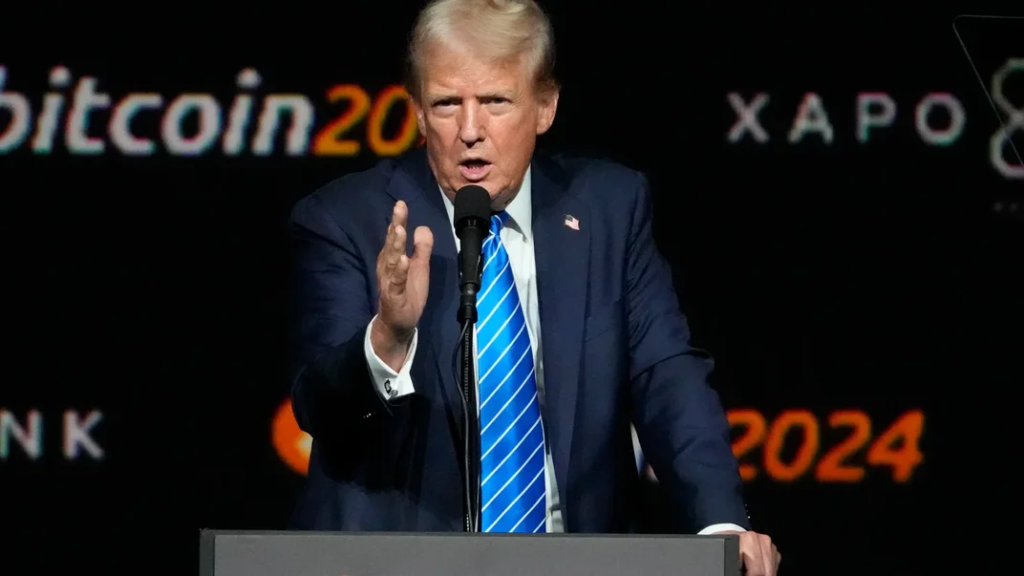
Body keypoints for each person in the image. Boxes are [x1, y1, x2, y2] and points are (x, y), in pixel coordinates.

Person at [286, 0, 781, 574]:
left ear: (545, 106)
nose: (470, 131)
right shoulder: (346, 220)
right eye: (447, 104)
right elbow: (318, 407)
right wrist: (388, 336)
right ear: (418, 112)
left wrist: (721, 526)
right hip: (399, 562)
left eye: (495, 101)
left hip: (576, 559)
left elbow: (666, 376)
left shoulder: (608, 208)